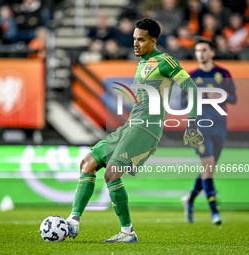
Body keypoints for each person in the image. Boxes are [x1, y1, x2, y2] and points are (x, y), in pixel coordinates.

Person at [65, 18, 204, 243]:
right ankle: (72, 221)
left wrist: (193, 121)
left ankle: (127, 232)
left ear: (153, 41)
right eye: (134, 39)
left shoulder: (165, 61)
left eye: (141, 40)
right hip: (130, 125)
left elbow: (191, 87)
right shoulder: (141, 62)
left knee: (111, 174)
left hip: (146, 129)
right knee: (87, 164)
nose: (135, 44)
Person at [181, 38, 237, 225]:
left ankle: (189, 199)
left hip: (220, 126)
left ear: (212, 52)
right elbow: (181, 102)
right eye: (197, 51)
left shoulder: (223, 73)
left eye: (204, 50)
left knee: (209, 169)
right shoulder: (190, 76)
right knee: (208, 166)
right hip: (200, 126)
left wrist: (221, 96)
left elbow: (234, 97)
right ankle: (214, 212)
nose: (201, 54)